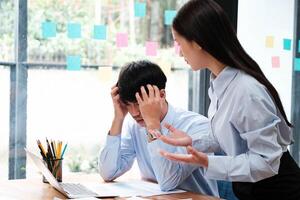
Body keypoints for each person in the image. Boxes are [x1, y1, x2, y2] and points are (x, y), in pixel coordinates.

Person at [134, 0, 300, 200]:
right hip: (249, 190)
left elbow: (266, 162)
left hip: (278, 192)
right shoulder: (219, 82)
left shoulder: (246, 91)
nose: (178, 51)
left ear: (197, 43)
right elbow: (231, 134)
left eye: (179, 43)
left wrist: (208, 162)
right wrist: (192, 141)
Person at [98, 60, 218, 196]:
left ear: (161, 95)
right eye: (127, 104)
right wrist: (118, 118)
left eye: (138, 103)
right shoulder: (135, 126)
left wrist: (153, 124)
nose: (134, 113)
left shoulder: (197, 126)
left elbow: (168, 182)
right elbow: (108, 173)